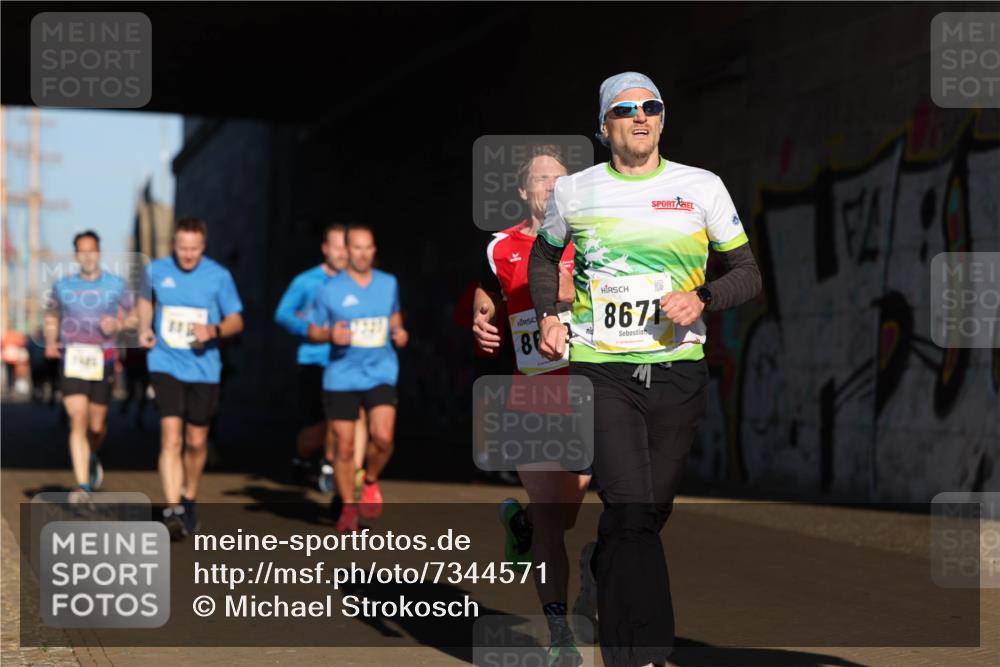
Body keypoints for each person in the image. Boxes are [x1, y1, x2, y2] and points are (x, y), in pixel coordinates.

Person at [528, 72, 762, 667]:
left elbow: (748, 274)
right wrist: (550, 315)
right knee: (631, 507)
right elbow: (544, 254)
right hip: (601, 369)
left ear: (662, 118)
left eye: (650, 107)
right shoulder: (575, 191)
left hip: (678, 371)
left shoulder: (701, 187)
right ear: (604, 127)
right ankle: (647, 655)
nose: (639, 117)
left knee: (646, 516)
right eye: (625, 110)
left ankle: (604, 567)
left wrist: (702, 299)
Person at [472, 146, 595, 665]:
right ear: (523, 191)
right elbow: (486, 291)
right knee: (551, 518)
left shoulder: (594, 239)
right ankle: (559, 634)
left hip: (592, 393)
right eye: (539, 179)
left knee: (565, 515)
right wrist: (481, 316)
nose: (548, 185)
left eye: (558, 178)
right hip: (535, 394)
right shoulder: (501, 246)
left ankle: (519, 525)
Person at [138, 217, 244, 540]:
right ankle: (172, 509)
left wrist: (213, 330)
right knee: (171, 436)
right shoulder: (156, 269)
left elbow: (237, 321)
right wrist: (144, 327)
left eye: (194, 249)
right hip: (166, 362)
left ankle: (189, 496)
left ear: (204, 246)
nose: (187, 255)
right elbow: (145, 299)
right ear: (174, 244)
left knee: (197, 441)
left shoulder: (218, 276)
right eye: (182, 248)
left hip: (204, 367)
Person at [307, 224, 408, 533]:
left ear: (373, 250)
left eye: (368, 248)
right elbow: (312, 330)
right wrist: (328, 334)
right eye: (356, 248)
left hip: (380, 371)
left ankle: (370, 480)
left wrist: (399, 332)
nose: (362, 254)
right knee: (345, 448)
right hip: (342, 376)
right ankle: (348, 509)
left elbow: (394, 317)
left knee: (383, 437)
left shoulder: (388, 283)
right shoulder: (329, 289)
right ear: (346, 250)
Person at [275, 223, 369, 496]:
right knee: (318, 426)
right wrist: (310, 330)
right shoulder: (306, 281)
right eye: (338, 247)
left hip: (348, 362)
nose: (343, 253)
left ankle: (336, 467)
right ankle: (303, 456)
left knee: (348, 417)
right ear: (325, 249)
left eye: (346, 247)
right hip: (314, 360)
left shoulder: (359, 282)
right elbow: (282, 314)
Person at [43, 230, 136, 496]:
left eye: (91, 250)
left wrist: (119, 323)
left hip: (103, 360)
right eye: (81, 251)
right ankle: (83, 485)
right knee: (77, 418)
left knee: (96, 426)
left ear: (99, 252)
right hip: (72, 359)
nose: (87, 256)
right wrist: (51, 341)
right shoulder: (63, 285)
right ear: (75, 255)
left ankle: (92, 454)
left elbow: (135, 317)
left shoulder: (116, 284)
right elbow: (52, 315)